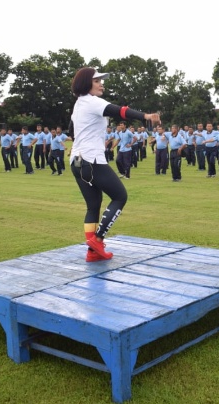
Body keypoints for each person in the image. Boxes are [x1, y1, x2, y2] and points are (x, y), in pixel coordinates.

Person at [68, 67, 159, 261]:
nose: (101, 84)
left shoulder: (78, 105)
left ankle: (93, 253)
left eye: (101, 80)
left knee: (93, 206)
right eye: (96, 81)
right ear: (86, 84)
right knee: (120, 196)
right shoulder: (93, 102)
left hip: (76, 161)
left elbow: (72, 132)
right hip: (91, 160)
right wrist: (146, 116)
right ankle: (98, 240)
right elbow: (119, 111)